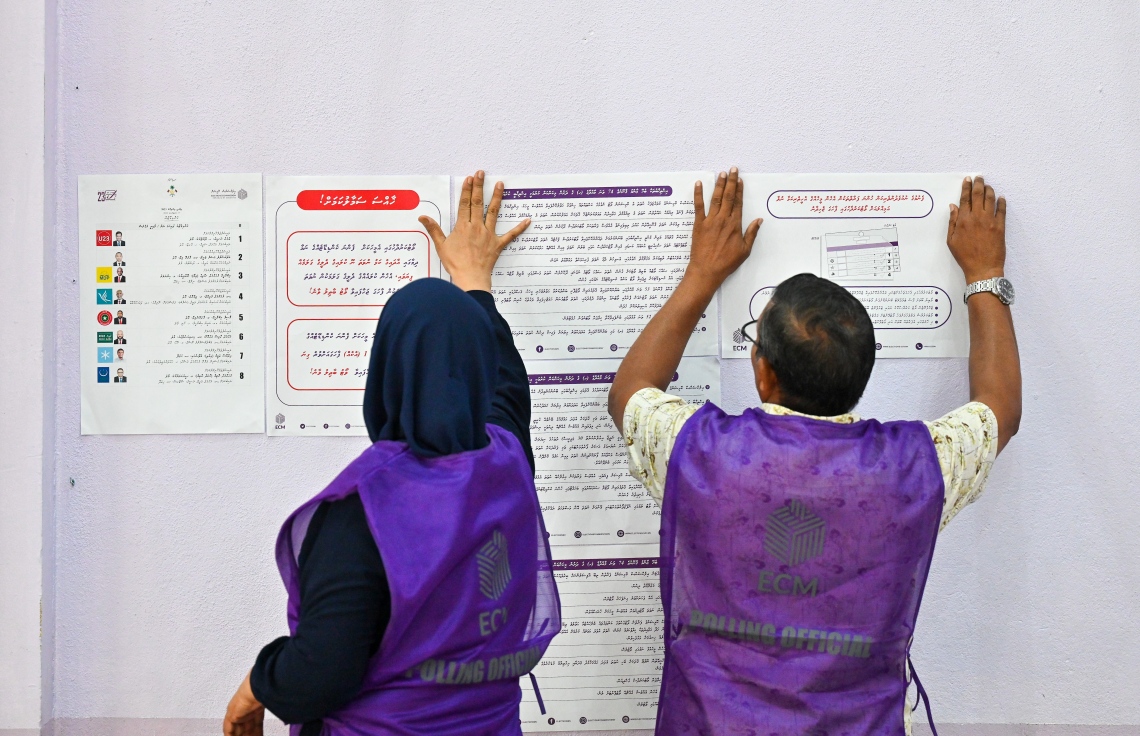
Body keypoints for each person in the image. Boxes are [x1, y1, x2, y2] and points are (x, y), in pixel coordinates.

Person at [607, 171, 1021, 736]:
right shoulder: (916, 467)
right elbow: (1000, 408)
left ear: (763, 373)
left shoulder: (698, 451)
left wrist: (702, 275)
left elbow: (630, 392)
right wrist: (984, 273)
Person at [223, 172, 560, 736]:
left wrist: (257, 685)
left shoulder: (362, 512)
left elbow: (321, 674)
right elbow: (507, 389)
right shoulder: (507, 464)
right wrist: (475, 284)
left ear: (384, 372)